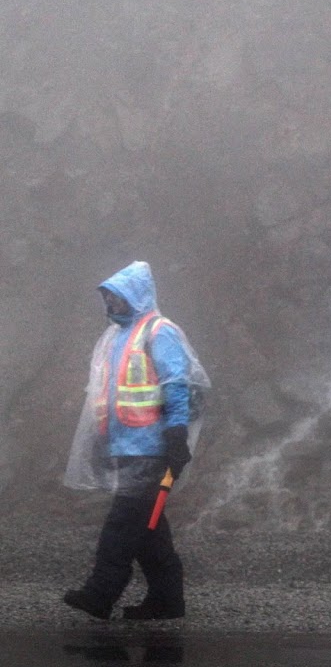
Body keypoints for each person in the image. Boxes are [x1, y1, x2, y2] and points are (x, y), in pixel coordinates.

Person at [63, 261, 209, 620]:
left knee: (123, 521)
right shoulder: (116, 337)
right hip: (126, 443)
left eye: (117, 297)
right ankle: (167, 599)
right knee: (148, 528)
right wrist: (102, 440)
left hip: (151, 445)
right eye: (108, 298)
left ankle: (101, 593)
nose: (112, 303)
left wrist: (176, 434)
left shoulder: (159, 331)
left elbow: (175, 383)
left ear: (136, 295)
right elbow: (107, 394)